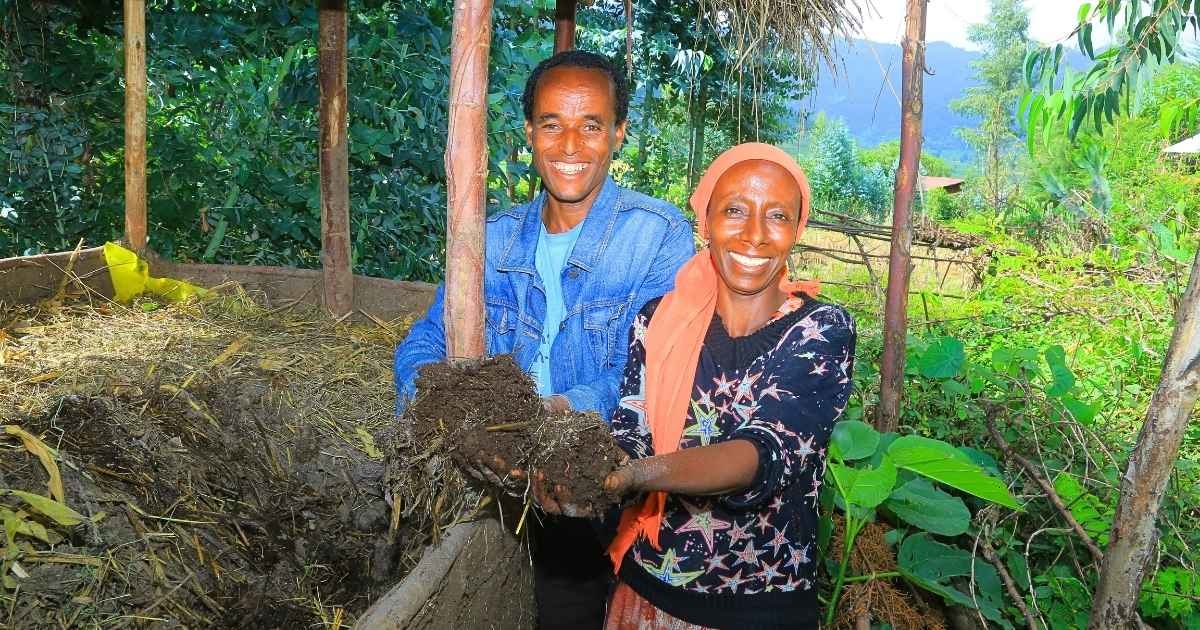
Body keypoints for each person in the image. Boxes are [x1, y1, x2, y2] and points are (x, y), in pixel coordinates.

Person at [393, 50, 695, 629]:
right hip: (497, 472)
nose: (570, 145)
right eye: (552, 124)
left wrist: (552, 416)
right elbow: (427, 338)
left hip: (601, 479)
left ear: (619, 133)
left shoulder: (656, 236)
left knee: (574, 598)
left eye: (591, 125)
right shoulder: (492, 238)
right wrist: (438, 402)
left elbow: (651, 374)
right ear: (529, 132)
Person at [539, 143, 856, 629]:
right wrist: (590, 468)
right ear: (705, 222)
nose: (755, 234)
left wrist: (636, 475)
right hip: (646, 594)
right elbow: (633, 432)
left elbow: (760, 453)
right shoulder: (658, 322)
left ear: (797, 230)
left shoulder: (820, 330)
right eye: (734, 211)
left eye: (777, 216)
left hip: (756, 610)